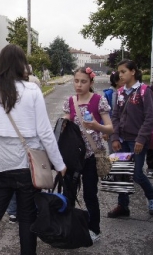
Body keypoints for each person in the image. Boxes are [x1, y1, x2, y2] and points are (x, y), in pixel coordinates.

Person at [0, 45, 66, 255]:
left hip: (0, 163)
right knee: (27, 215)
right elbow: (45, 132)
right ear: (21, 64)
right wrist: (58, 163)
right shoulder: (32, 90)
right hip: (28, 164)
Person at [62, 66, 113, 243]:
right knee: (68, 192)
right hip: (73, 156)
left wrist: (97, 127)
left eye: (83, 81)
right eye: (76, 81)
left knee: (90, 194)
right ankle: (67, 226)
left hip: (91, 155)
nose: (79, 85)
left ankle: (94, 229)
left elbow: (110, 127)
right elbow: (65, 126)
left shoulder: (99, 100)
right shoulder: (70, 101)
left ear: (91, 82)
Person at [108, 59, 153, 218]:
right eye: (119, 72)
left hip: (137, 141)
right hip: (122, 140)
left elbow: (150, 117)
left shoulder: (145, 91)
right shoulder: (120, 92)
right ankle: (123, 206)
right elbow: (115, 116)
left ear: (133, 71)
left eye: (123, 71)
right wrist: (115, 137)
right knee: (121, 172)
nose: (120, 75)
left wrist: (141, 139)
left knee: (137, 174)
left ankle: (152, 196)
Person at [102, 71, 122, 154]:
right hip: (112, 127)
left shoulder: (126, 92)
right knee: (113, 152)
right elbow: (103, 113)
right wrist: (105, 131)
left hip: (123, 127)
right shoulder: (109, 94)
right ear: (116, 81)